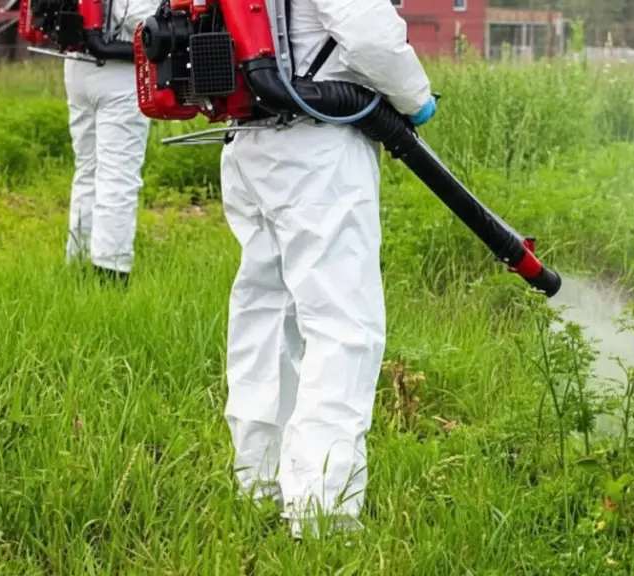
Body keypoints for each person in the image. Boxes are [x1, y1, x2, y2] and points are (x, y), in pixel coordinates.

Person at [219, 0, 437, 539]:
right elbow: (366, 30)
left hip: (248, 143)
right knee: (344, 329)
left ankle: (259, 482)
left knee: (266, 318)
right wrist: (417, 97)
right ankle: (323, 514)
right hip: (316, 148)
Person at [64, 0, 159, 285]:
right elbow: (137, 17)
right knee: (118, 177)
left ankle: (78, 262)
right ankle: (110, 273)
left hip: (78, 65)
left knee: (87, 170)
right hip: (118, 71)